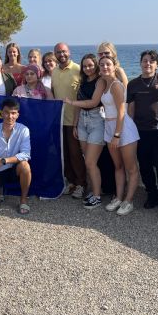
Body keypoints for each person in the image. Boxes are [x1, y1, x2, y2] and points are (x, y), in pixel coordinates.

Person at [95, 55, 139, 215]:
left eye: (108, 64)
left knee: (131, 168)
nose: (105, 67)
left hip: (123, 129)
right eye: (102, 65)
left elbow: (122, 110)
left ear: (114, 66)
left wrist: (117, 135)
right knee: (118, 166)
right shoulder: (104, 85)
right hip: (109, 126)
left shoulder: (116, 85)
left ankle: (128, 201)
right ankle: (119, 198)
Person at [127, 50, 158, 209]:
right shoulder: (133, 84)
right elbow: (130, 109)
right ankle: (151, 194)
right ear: (140, 63)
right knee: (145, 166)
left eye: (151, 61)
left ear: (157, 65)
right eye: (145, 61)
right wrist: (130, 130)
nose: (148, 64)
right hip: (141, 131)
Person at [64, 54, 107, 208]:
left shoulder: (100, 81)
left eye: (90, 65)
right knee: (87, 161)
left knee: (90, 162)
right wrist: (75, 125)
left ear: (95, 65)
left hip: (97, 121)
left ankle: (96, 196)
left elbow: (94, 102)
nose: (88, 68)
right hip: (82, 121)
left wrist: (71, 101)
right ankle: (95, 190)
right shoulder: (83, 82)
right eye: (85, 66)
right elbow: (79, 107)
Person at [0, 98, 32, 214]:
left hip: (14, 169)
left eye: (13, 113)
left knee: (25, 165)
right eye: (7, 112)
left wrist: (4, 160)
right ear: (2, 113)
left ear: (18, 114)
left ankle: (23, 200)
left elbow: (26, 154)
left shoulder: (24, 130)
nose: (10, 116)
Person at [51, 42, 86, 199]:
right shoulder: (54, 72)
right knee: (64, 154)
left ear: (69, 52)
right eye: (58, 52)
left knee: (76, 154)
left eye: (64, 51)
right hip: (60, 121)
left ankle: (81, 184)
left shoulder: (78, 69)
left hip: (75, 119)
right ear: (55, 54)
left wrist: (78, 122)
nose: (61, 54)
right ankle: (71, 182)